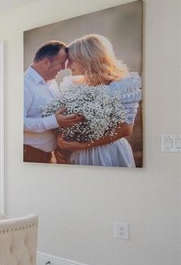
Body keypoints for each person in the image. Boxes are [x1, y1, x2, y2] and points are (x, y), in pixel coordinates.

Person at [57, 34, 141, 167]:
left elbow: (125, 129)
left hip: (109, 153)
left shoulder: (121, 85)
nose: (67, 66)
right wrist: (62, 143)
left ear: (87, 59)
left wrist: (84, 145)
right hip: (76, 154)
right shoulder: (72, 84)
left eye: (71, 60)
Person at [24, 41, 83, 163]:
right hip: (30, 155)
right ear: (46, 63)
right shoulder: (23, 85)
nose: (64, 67)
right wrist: (54, 121)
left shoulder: (52, 83)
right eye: (62, 63)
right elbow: (14, 124)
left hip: (48, 155)